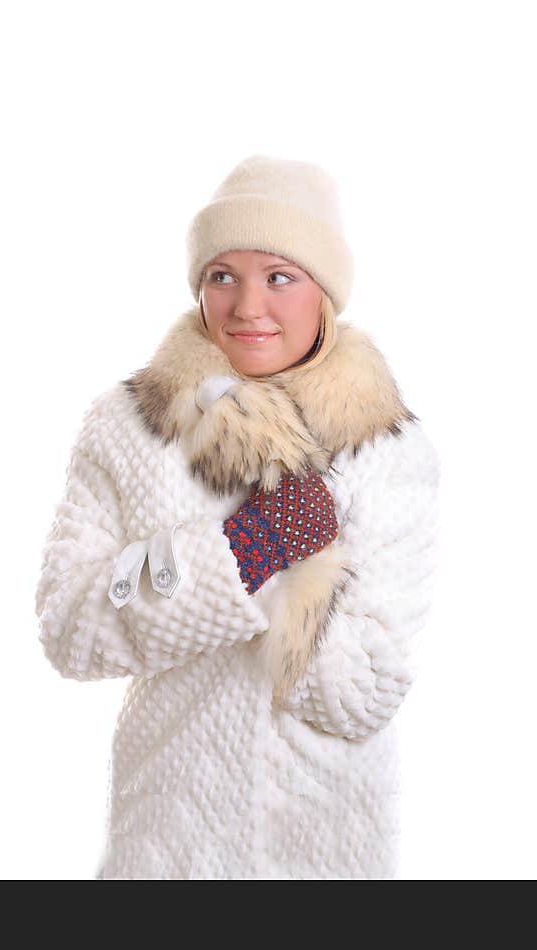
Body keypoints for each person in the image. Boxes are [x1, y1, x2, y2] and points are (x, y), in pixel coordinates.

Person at [34, 154, 441, 879]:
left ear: (325, 292)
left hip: (326, 859)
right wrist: (246, 554)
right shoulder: (130, 427)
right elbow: (71, 631)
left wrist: (298, 587)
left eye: (280, 276)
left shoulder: (384, 449)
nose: (248, 307)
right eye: (223, 275)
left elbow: (366, 696)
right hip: (165, 851)